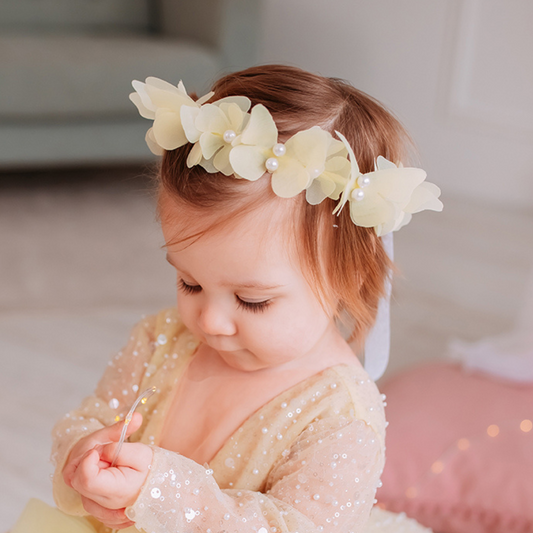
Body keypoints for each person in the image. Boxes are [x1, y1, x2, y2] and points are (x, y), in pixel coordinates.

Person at [13, 65, 442, 533]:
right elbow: (92, 415)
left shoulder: (340, 419)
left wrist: (162, 492)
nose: (211, 320)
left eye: (253, 300)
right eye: (190, 284)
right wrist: (84, 456)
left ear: (348, 277)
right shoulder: (161, 339)